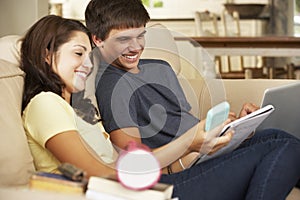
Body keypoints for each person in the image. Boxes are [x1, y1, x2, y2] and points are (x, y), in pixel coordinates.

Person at [85, 0, 300, 199]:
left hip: (205, 155)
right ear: (98, 39)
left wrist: (235, 130)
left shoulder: (161, 67)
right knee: (286, 149)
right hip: (182, 171)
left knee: (278, 137)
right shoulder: (112, 86)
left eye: (140, 35)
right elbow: (136, 163)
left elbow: (186, 124)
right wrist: (190, 149)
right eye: (123, 39)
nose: (136, 47)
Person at [20, 15, 231, 185]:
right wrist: (188, 142)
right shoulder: (45, 103)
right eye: (78, 53)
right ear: (46, 55)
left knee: (263, 148)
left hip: (149, 186)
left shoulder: (78, 110)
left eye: (89, 55)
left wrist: (190, 155)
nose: (87, 64)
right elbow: (98, 173)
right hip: (119, 193)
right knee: (262, 156)